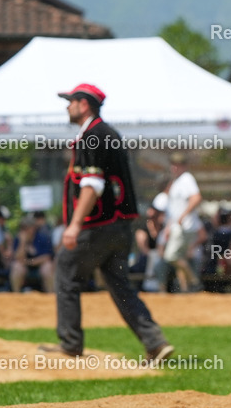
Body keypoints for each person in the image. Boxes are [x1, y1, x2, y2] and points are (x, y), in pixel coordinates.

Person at [39, 83, 172, 362]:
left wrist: (74, 225)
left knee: (65, 272)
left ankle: (71, 345)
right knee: (118, 283)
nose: (67, 106)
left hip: (96, 225)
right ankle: (155, 342)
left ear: (84, 104)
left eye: (71, 101)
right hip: (120, 226)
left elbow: (92, 184)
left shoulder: (92, 135)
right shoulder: (108, 133)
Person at [162, 152, 203, 293]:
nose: (174, 167)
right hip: (178, 226)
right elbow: (173, 209)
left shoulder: (186, 178)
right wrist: (169, 226)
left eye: (177, 164)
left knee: (171, 256)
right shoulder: (177, 181)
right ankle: (186, 290)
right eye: (173, 164)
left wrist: (183, 216)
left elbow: (196, 198)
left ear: (184, 166)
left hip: (184, 226)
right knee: (180, 258)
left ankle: (195, 282)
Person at [10, 219, 54, 292]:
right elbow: (17, 258)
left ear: (33, 228)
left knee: (48, 267)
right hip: (25, 266)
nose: (25, 230)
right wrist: (22, 243)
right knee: (16, 267)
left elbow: (46, 257)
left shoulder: (43, 238)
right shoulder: (18, 239)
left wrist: (29, 262)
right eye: (22, 228)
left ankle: (51, 294)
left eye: (27, 228)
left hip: (40, 265)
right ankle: (16, 294)